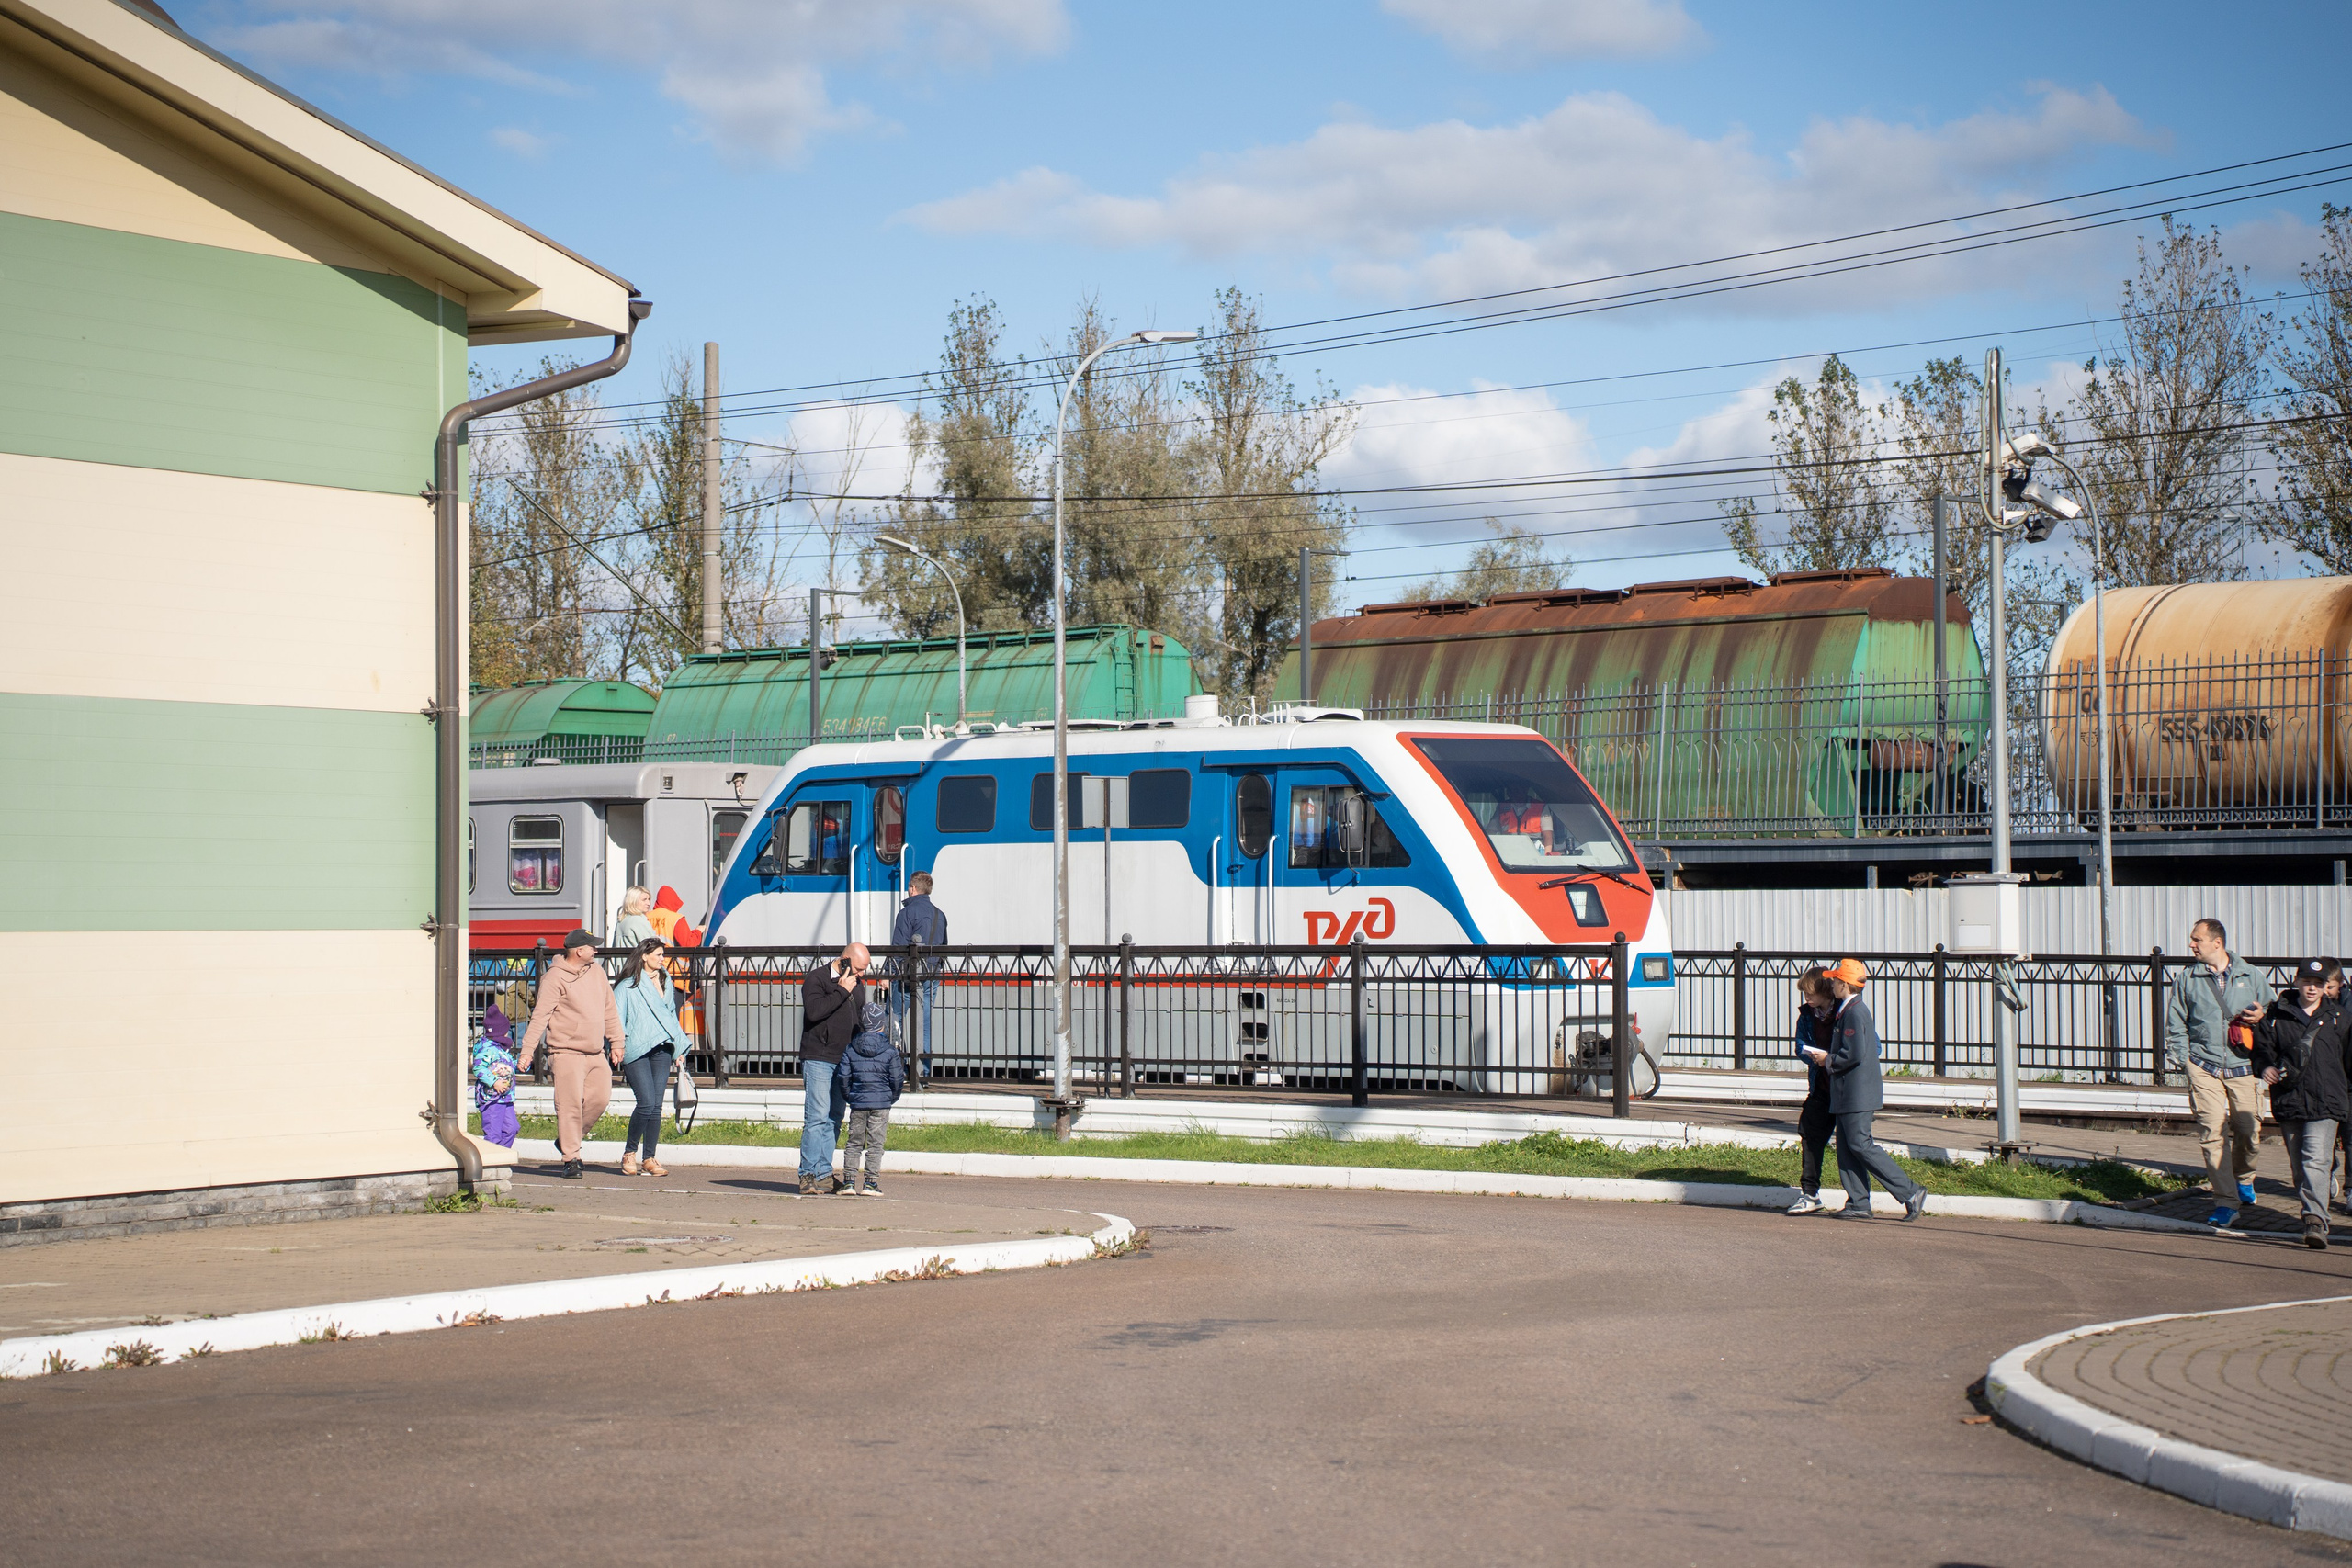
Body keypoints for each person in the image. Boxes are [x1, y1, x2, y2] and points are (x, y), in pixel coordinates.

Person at [2162, 917, 2272, 1228]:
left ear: (2217, 943)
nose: (2191, 944)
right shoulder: (2186, 979)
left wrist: (2263, 1015)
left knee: (2249, 1130)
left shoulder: (2250, 975)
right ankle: (2225, 1202)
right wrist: (2184, 1060)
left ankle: (2245, 1179)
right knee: (2212, 1133)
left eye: (2196, 939)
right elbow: (2176, 1022)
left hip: (2244, 1066)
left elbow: (2275, 1011)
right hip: (2203, 1066)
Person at [1802, 958, 1928, 1222]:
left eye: (1835, 980)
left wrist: (1828, 1061)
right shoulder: (1848, 1009)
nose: (1832, 983)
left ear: (1844, 984)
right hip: (1847, 1092)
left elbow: (1855, 1053)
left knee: (1860, 1143)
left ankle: (1911, 1192)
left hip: (1856, 1093)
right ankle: (1858, 1202)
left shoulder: (1855, 1012)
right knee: (1848, 1147)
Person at [2254, 958, 2351, 1249]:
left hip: (2328, 1100)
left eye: (2318, 984)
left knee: (2316, 1160)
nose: (2312, 988)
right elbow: (2261, 1050)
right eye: (2307, 982)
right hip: (2290, 1099)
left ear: (2326, 987)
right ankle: (2314, 1208)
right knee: (2300, 1167)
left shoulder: (2339, 1018)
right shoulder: (2275, 1015)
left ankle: (2315, 1221)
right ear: (2296, 982)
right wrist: (2265, 1067)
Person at [518, 930, 624, 1179]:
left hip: (595, 1051)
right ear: (579, 951)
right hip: (565, 1051)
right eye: (592, 947)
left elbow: (610, 1010)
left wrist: (617, 1041)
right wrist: (527, 1052)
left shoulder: (596, 973)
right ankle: (571, 1158)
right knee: (570, 1106)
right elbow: (541, 1016)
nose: (596, 951)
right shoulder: (554, 978)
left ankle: (568, 1139)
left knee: (600, 1099)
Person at [616, 937, 690, 1178]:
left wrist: (679, 1048)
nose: (662, 959)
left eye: (662, 955)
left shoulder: (666, 982)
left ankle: (649, 1158)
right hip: (636, 1049)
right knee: (646, 1102)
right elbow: (616, 1019)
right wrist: (616, 1045)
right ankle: (629, 1153)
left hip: (663, 1049)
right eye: (658, 954)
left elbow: (671, 1017)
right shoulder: (626, 986)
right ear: (644, 956)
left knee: (656, 1106)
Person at [798, 943, 869, 1195]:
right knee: (816, 1116)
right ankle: (807, 1174)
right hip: (819, 1057)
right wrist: (841, 990)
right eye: (859, 969)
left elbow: (859, 1020)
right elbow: (815, 1012)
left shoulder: (857, 984)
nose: (861, 975)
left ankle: (824, 1174)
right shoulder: (817, 979)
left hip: (845, 1060)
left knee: (834, 1118)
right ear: (845, 960)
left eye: (864, 971)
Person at [838, 977, 906, 1196]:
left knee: (854, 1142)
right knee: (876, 1144)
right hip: (881, 1103)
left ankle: (848, 1182)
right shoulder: (890, 1051)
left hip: (858, 1102)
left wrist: (851, 1096)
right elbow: (897, 1079)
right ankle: (870, 1184)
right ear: (882, 1025)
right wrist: (890, 1097)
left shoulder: (850, 1049)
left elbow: (843, 1077)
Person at [1784, 966, 1837, 1215]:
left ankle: (1859, 1197)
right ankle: (1810, 1193)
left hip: (1844, 1089)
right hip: (1820, 1086)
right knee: (1809, 1134)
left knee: (1853, 1145)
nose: (1806, 997)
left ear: (1825, 990)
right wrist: (1812, 1057)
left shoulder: (1844, 1012)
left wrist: (1832, 1059)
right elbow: (1800, 1045)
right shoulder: (1807, 1015)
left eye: (1810, 992)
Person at [890, 873, 947, 1072]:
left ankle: (897, 1068)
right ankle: (922, 1070)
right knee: (924, 1021)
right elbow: (944, 946)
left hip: (907, 975)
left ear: (912, 888)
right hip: (932, 974)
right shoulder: (940, 915)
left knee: (895, 1017)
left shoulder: (906, 913)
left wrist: (889, 974)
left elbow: (898, 948)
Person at [472, 1003, 520, 1150]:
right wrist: (494, 1083)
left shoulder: (501, 1050)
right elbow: (478, 1067)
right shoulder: (488, 1049)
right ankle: (490, 1161)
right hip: (492, 1099)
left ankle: (501, 1155)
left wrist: (520, 1065)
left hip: (506, 1097)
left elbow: (508, 1066)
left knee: (512, 1128)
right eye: (506, 1032)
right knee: (493, 1134)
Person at [613, 886, 656, 953]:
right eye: (644, 900)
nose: (648, 903)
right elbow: (652, 947)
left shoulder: (621, 921)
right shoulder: (639, 921)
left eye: (649, 899)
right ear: (633, 901)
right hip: (636, 962)